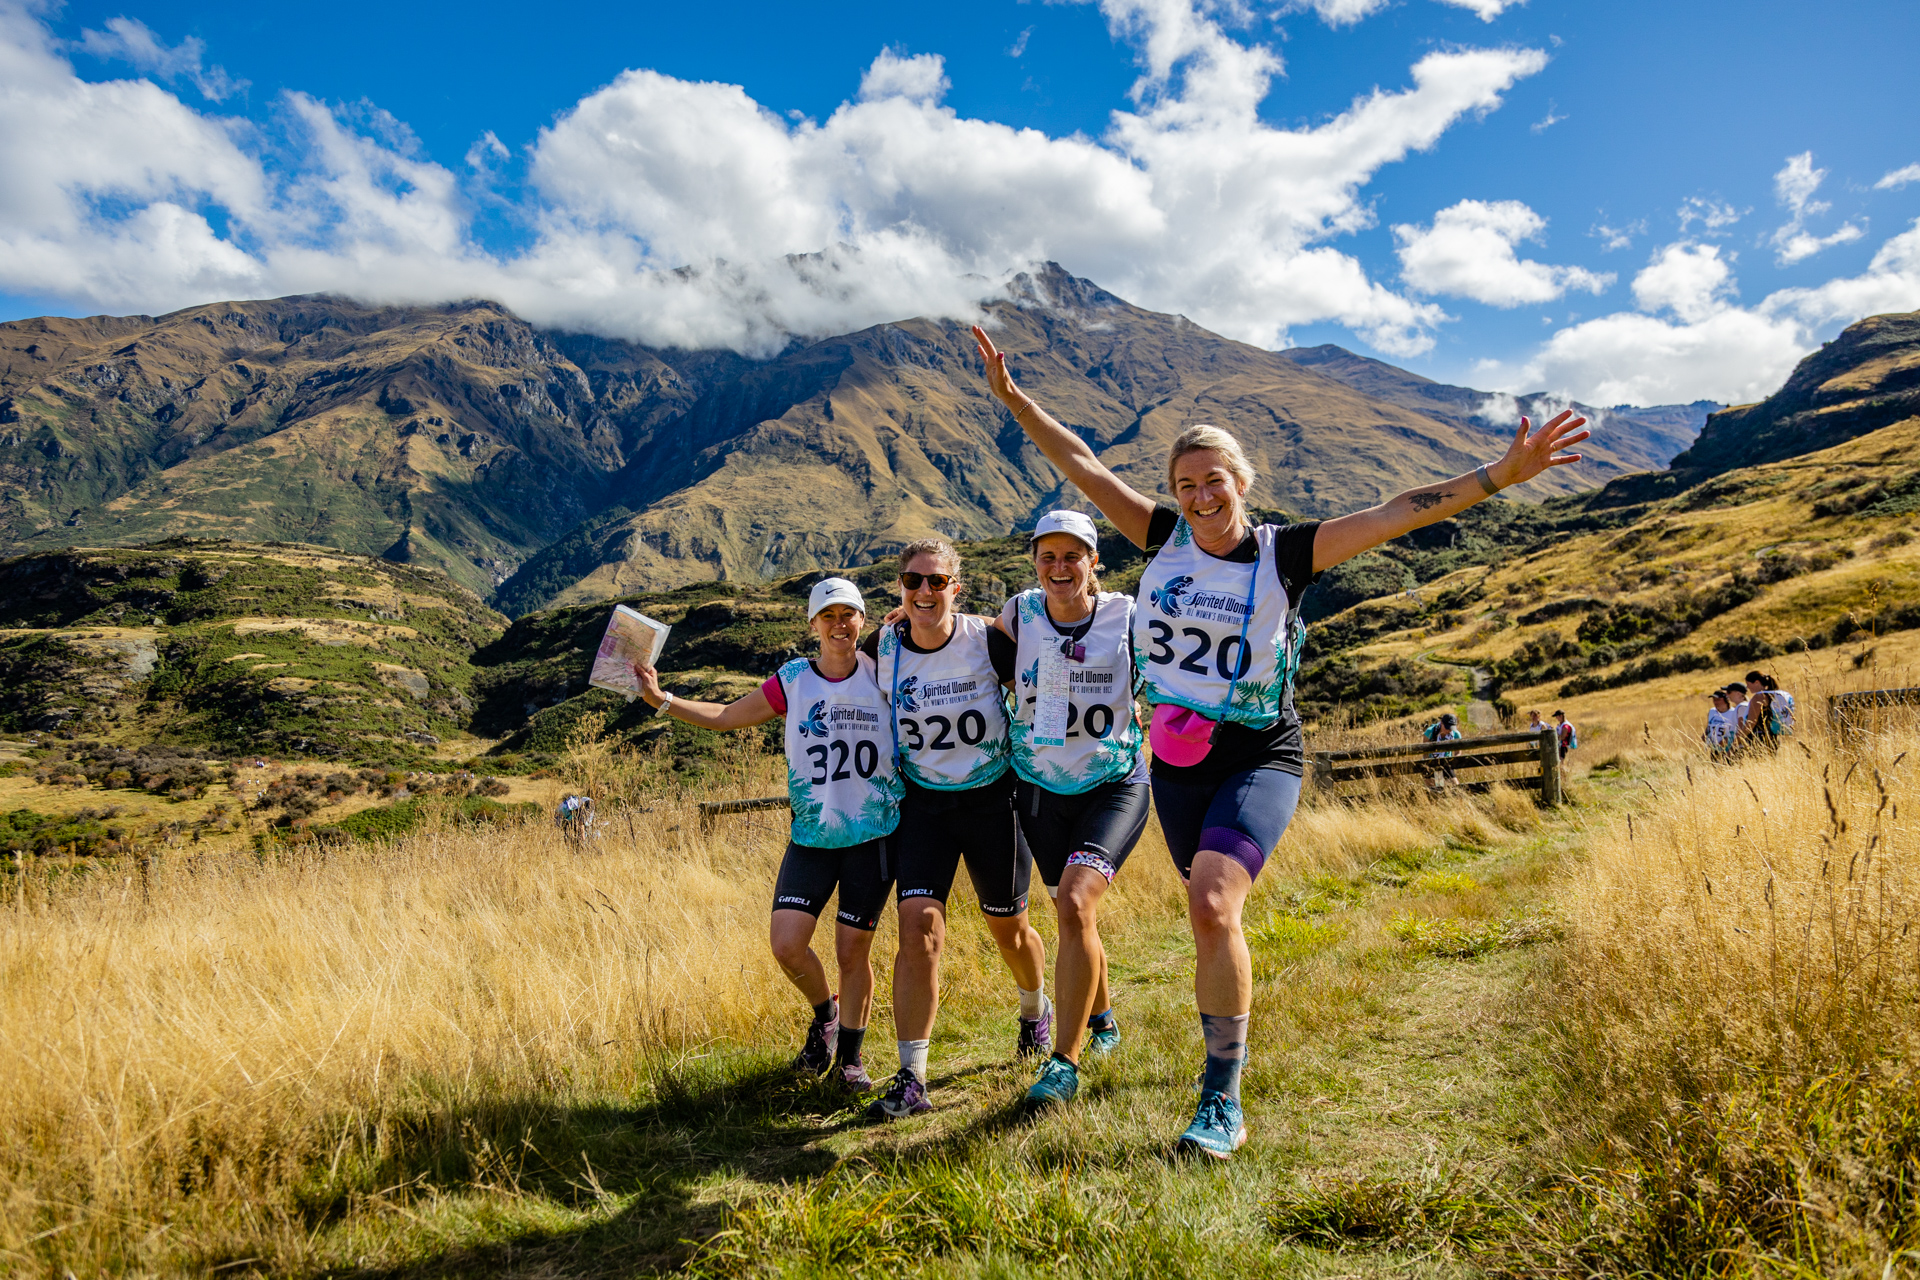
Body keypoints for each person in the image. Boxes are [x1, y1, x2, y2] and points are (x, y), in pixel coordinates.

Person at [973, 322, 1589, 1160]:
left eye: (1212, 481)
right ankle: (1174, 1054)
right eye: (1184, 484)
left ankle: (1220, 1098)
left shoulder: (1285, 554)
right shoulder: (1162, 541)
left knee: (1212, 902)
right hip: (1179, 763)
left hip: (1260, 753)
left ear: (1241, 482)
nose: (1198, 497)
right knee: (1207, 918)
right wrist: (1015, 402)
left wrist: (1498, 476)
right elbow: (1082, 465)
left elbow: (1397, 514)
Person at [634, 578, 899, 1090]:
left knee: (851, 953)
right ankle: (825, 1015)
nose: (840, 625)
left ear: (862, 620)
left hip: (873, 836)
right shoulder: (795, 677)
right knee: (787, 945)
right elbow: (730, 716)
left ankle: (850, 1062)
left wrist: (906, 617)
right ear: (813, 625)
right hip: (811, 838)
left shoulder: (883, 671)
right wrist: (662, 701)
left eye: (849, 615)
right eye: (829, 616)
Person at [860, 539, 1050, 1122]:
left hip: (993, 800)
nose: (924, 591)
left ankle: (1034, 1010)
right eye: (913, 581)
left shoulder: (986, 640)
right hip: (924, 807)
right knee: (917, 929)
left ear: (955, 587)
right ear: (899, 587)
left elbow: (1047, 686)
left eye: (936, 581)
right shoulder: (882, 647)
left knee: (1008, 929)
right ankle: (912, 1076)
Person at [992, 509, 1151, 1112]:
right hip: (1038, 783)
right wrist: (913, 614)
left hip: (1113, 781)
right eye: (1048, 557)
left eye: (1072, 556)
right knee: (1069, 911)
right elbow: (975, 631)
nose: (1060, 568)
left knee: (1077, 903)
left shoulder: (1127, 615)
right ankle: (1104, 1019)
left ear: (1093, 561)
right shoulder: (1020, 611)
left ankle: (1064, 1063)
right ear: (1035, 561)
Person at [1423, 712, 1463, 785]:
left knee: (1455, 784)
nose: (1449, 730)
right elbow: (1425, 753)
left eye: (1451, 728)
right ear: (1441, 723)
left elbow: (1458, 752)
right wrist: (1429, 766)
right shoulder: (1430, 732)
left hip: (1447, 762)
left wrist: (1454, 761)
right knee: (1432, 786)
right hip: (1431, 762)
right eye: (1447, 727)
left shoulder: (1456, 734)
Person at [1703, 690, 1737, 756]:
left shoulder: (1733, 712)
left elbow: (1735, 732)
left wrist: (1723, 743)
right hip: (1714, 748)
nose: (1715, 702)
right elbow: (1709, 725)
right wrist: (1705, 734)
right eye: (1714, 700)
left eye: (1718, 699)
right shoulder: (1712, 711)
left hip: (1728, 749)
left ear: (1726, 700)